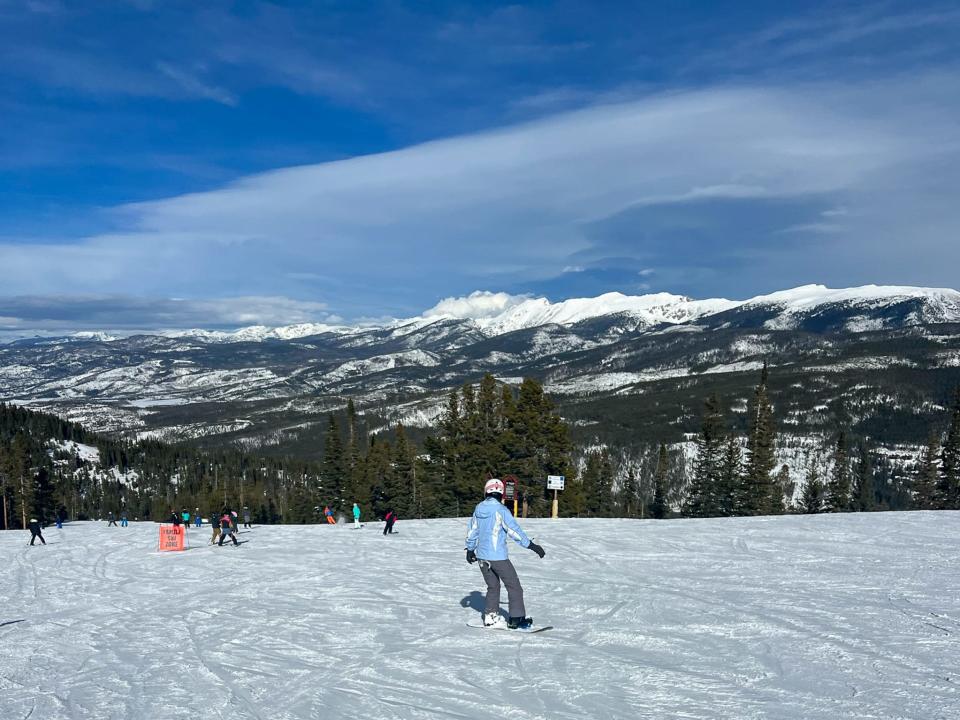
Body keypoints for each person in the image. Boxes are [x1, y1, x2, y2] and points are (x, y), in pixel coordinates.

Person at [465, 478, 545, 630]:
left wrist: (470, 549)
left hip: (482, 556)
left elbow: (472, 530)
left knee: (493, 587)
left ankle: (490, 617)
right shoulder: (501, 511)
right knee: (514, 586)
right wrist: (531, 545)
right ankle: (516, 619)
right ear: (501, 493)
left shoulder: (478, 508)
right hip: (498, 557)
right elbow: (514, 531)